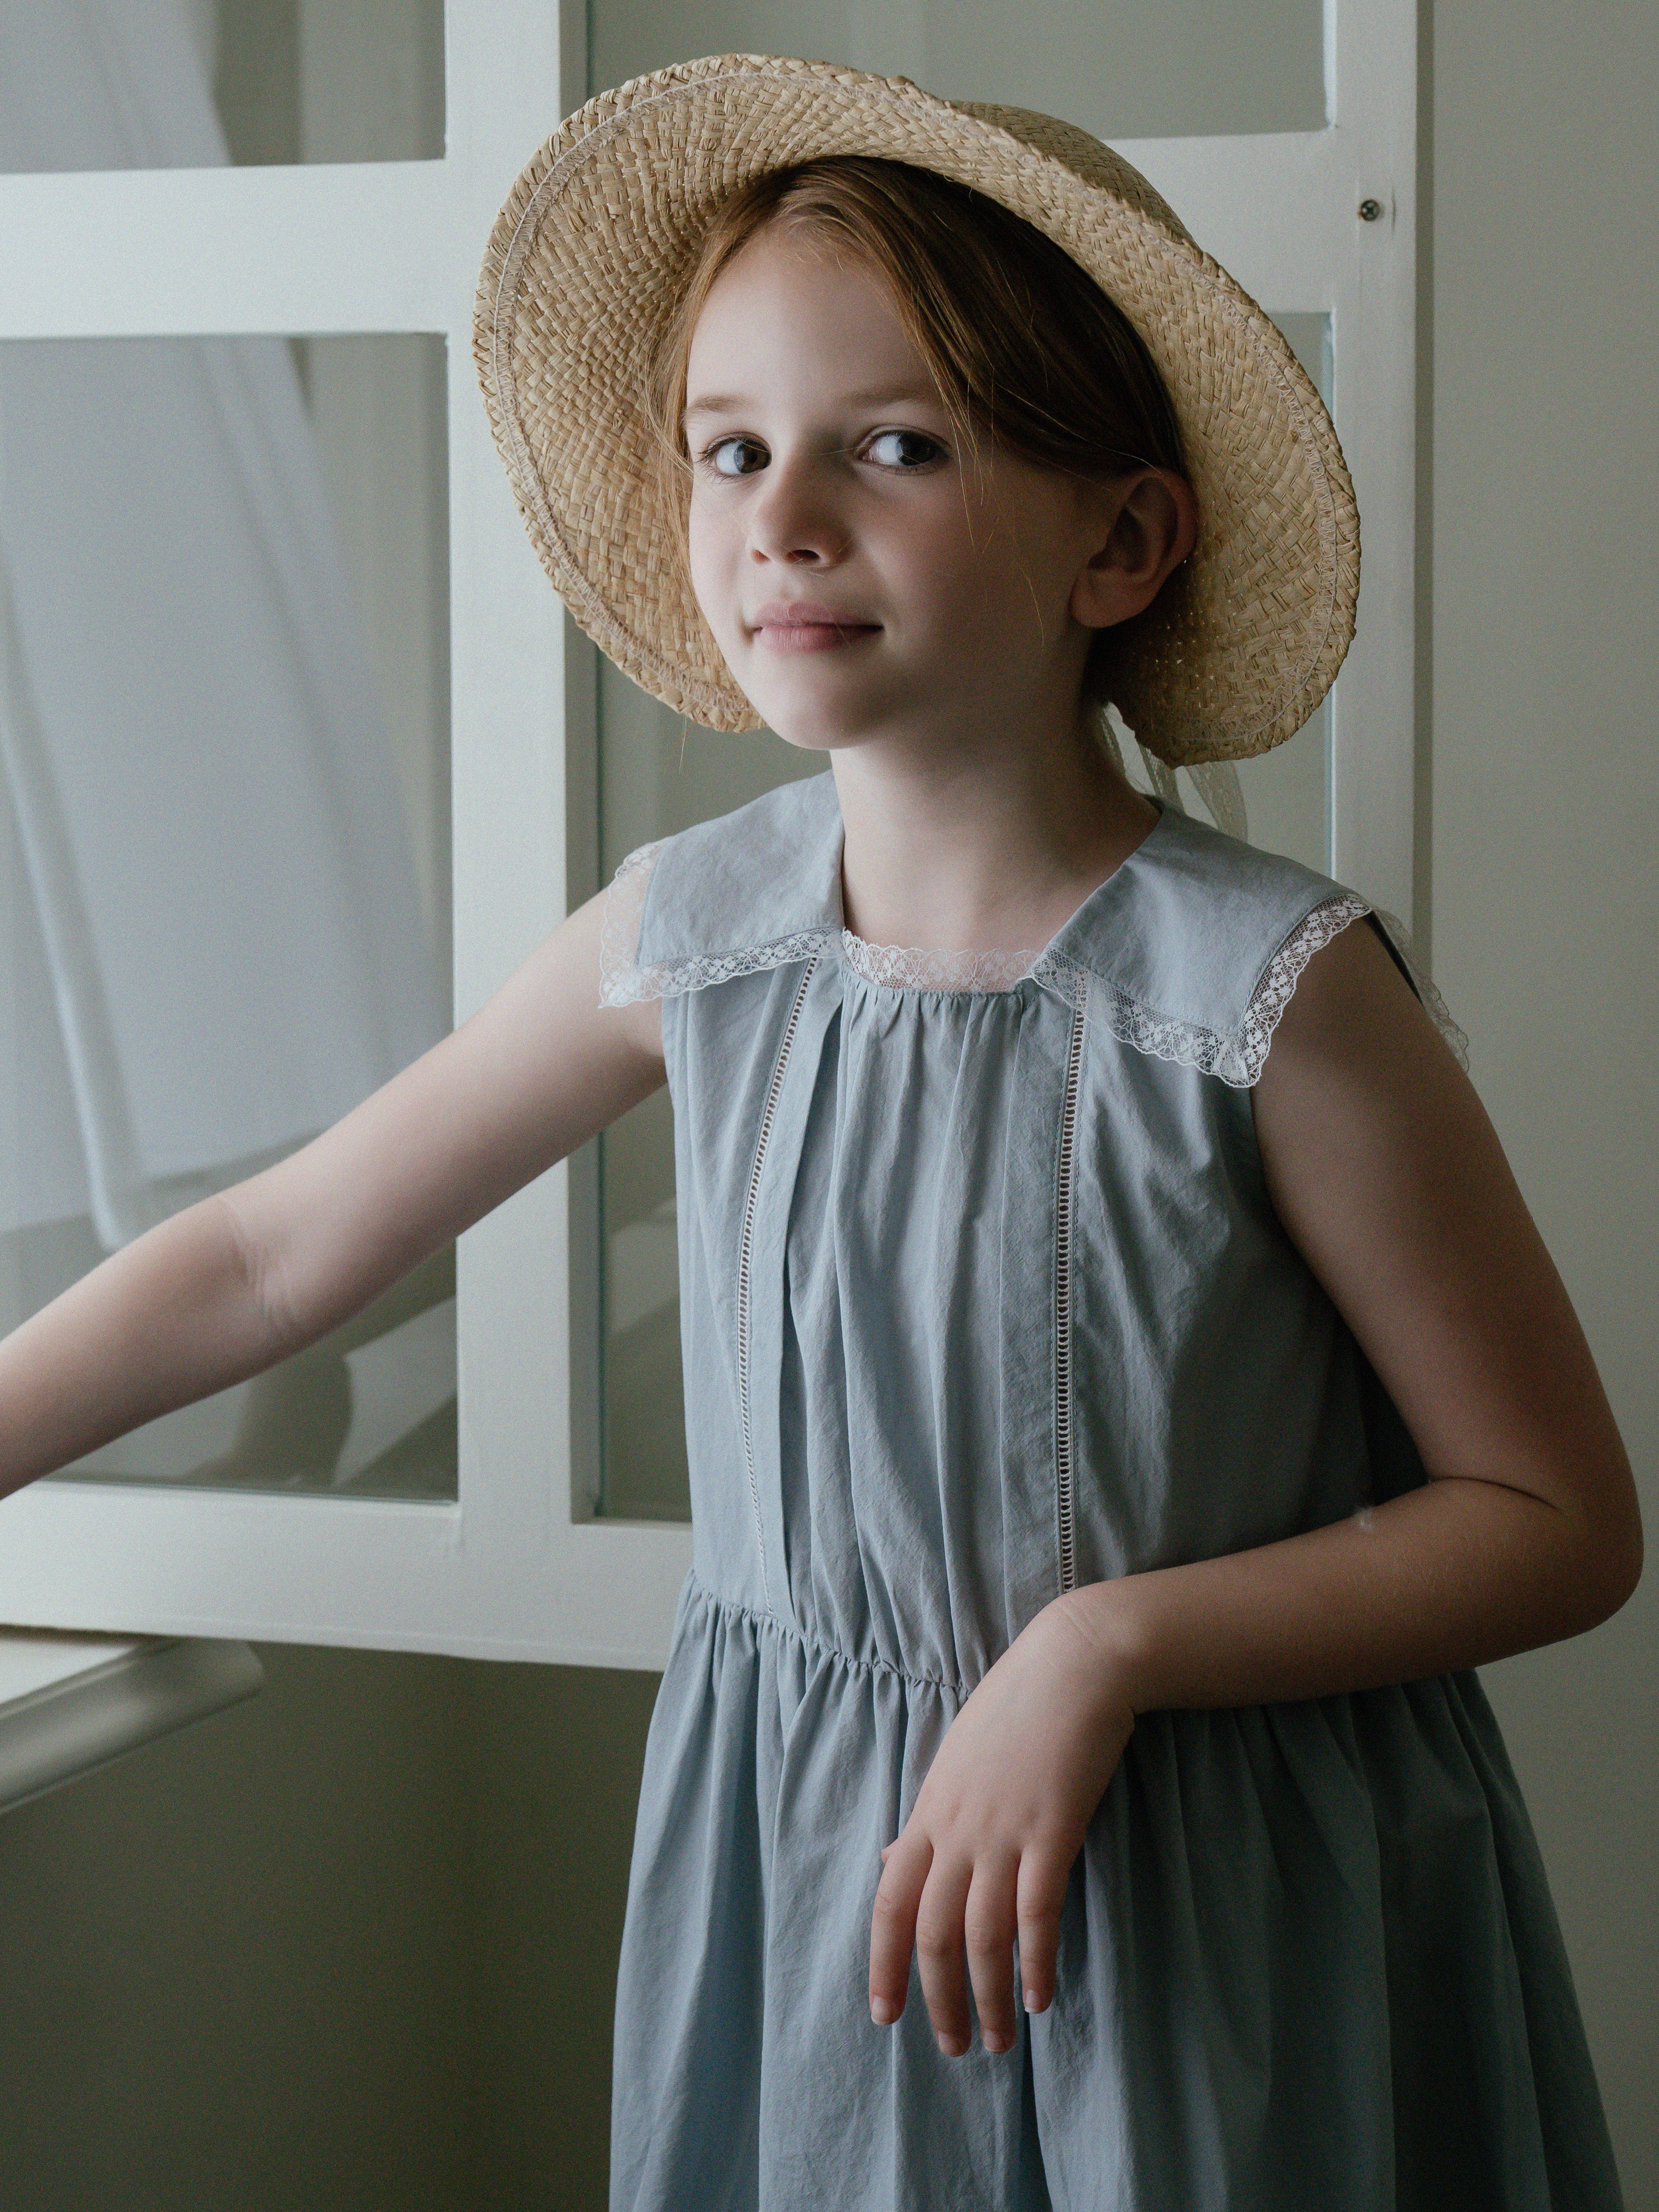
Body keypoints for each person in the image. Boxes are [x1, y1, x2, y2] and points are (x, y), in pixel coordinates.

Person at [0, 53, 1641, 2211]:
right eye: (732, 447)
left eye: (897, 444)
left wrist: (1102, 1647)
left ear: (1121, 540)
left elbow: (1553, 1514)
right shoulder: (692, 939)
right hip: (820, 1897)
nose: (781, 515)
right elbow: (271, 1254)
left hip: (1208, 1916)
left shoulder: (1269, 996)